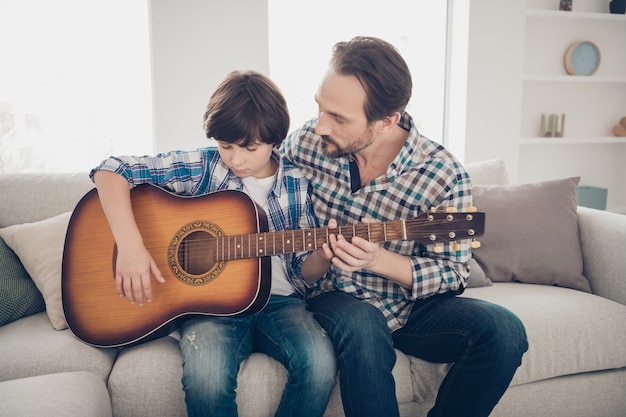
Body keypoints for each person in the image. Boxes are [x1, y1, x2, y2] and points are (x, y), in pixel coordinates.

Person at [281, 36, 529, 417]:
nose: (319, 127)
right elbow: (249, 185)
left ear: (387, 122)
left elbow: (452, 273)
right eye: (320, 108)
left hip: (411, 306)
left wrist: (379, 260)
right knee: (363, 327)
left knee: (504, 331)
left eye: (338, 118)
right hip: (335, 295)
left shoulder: (443, 174)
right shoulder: (305, 145)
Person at [90, 70, 336, 417]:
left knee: (319, 364)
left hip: (280, 304)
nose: (235, 159)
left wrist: (324, 257)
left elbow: (302, 274)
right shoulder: (206, 166)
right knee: (206, 376)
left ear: (275, 140)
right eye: (226, 146)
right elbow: (110, 169)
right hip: (210, 307)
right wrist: (130, 247)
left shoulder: (297, 184)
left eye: (249, 148)